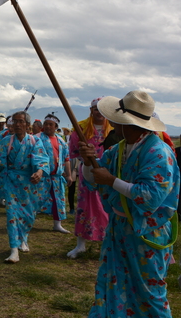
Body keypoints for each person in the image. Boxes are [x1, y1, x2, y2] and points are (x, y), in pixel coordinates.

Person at [78, 91, 179, 318]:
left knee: (149, 291)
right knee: (115, 284)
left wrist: (111, 180)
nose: (112, 123)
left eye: (116, 119)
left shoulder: (158, 152)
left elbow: (151, 196)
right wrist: (87, 162)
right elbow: (94, 177)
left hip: (147, 233)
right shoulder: (119, 149)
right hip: (120, 229)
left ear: (128, 124)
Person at [0, 111, 48, 263]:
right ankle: (14, 250)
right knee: (12, 215)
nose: (17, 124)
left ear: (27, 125)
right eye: (14, 121)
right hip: (12, 182)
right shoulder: (6, 142)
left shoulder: (35, 141)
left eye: (20, 121)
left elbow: (41, 159)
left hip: (30, 183)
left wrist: (40, 172)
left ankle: (23, 238)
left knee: (28, 215)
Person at [67, 98, 112, 259]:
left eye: (101, 109)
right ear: (90, 110)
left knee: (108, 208)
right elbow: (73, 149)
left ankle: (108, 244)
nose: (98, 112)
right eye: (95, 109)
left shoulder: (114, 128)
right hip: (88, 172)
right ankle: (81, 245)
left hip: (109, 173)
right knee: (85, 207)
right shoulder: (81, 128)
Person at [35, 114, 72, 234]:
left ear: (56, 126)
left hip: (56, 177)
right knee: (36, 200)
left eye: (51, 124)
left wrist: (69, 175)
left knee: (58, 201)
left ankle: (57, 224)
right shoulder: (37, 138)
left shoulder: (61, 140)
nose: (47, 126)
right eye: (46, 124)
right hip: (41, 176)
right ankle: (28, 222)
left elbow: (66, 159)